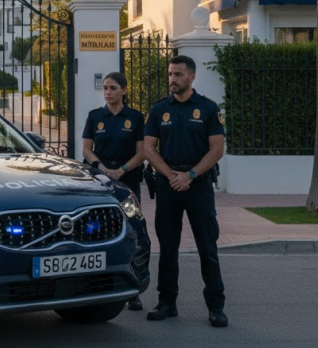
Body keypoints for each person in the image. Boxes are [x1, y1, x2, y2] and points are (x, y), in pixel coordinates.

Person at [143, 55, 228, 328]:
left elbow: (217, 149)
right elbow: (148, 148)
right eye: (170, 74)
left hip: (198, 185)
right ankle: (166, 303)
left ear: (191, 77)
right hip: (168, 185)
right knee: (167, 248)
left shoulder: (207, 108)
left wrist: (190, 175)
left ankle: (216, 307)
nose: (172, 79)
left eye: (178, 74)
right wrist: (171, 176)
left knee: (207, 248)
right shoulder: (159, 109)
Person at [82, 71, 146, 311]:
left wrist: (121, 170)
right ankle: (96, 285)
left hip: (127, 182)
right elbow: (87, 150)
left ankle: (134, 289)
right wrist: (102, 168)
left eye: (113, 88)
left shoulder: (136, 117)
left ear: (124, 90)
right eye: (105, 88)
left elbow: (142, 152)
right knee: (96, 232)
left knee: (132, 233)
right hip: (99, 181)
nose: (108, 92)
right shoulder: (95, 116)